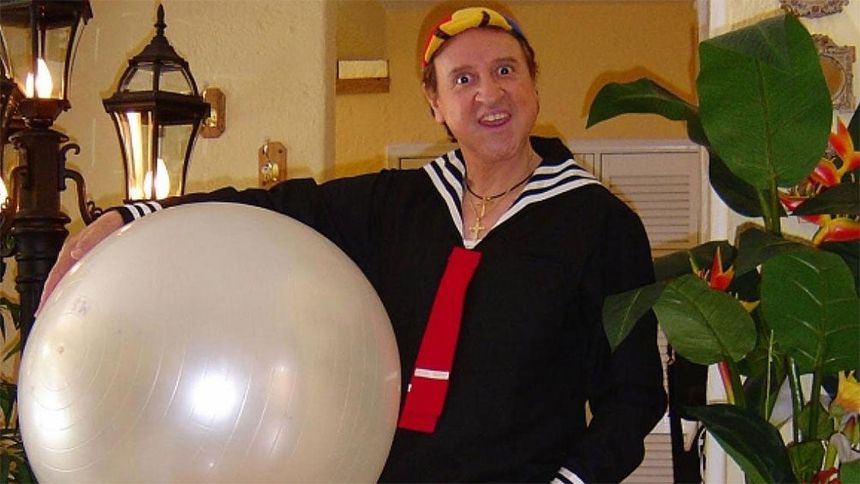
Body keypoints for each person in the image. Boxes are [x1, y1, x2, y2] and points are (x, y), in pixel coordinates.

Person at [42, 6, 666, 482]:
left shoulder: (598, 224)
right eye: (463, 79)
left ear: (533, 82)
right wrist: (134, 214)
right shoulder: (397, 205)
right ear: (436, 103)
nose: (489, 93)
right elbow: (272, 207)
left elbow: (634, 398)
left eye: (506, 70)